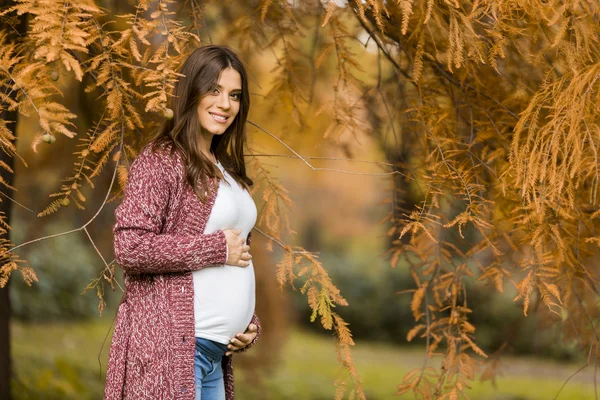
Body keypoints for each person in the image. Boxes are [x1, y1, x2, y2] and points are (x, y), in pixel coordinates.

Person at [104, 45, 260, 400]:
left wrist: (249, 325)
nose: (225, 104)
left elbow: (237, 261)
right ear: (191, 91)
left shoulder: (224, 169)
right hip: (173, 349)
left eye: (234, 95)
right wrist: (216, 247)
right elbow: (130, 246)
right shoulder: (162, 160)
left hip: (212, 353)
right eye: (214, 90)